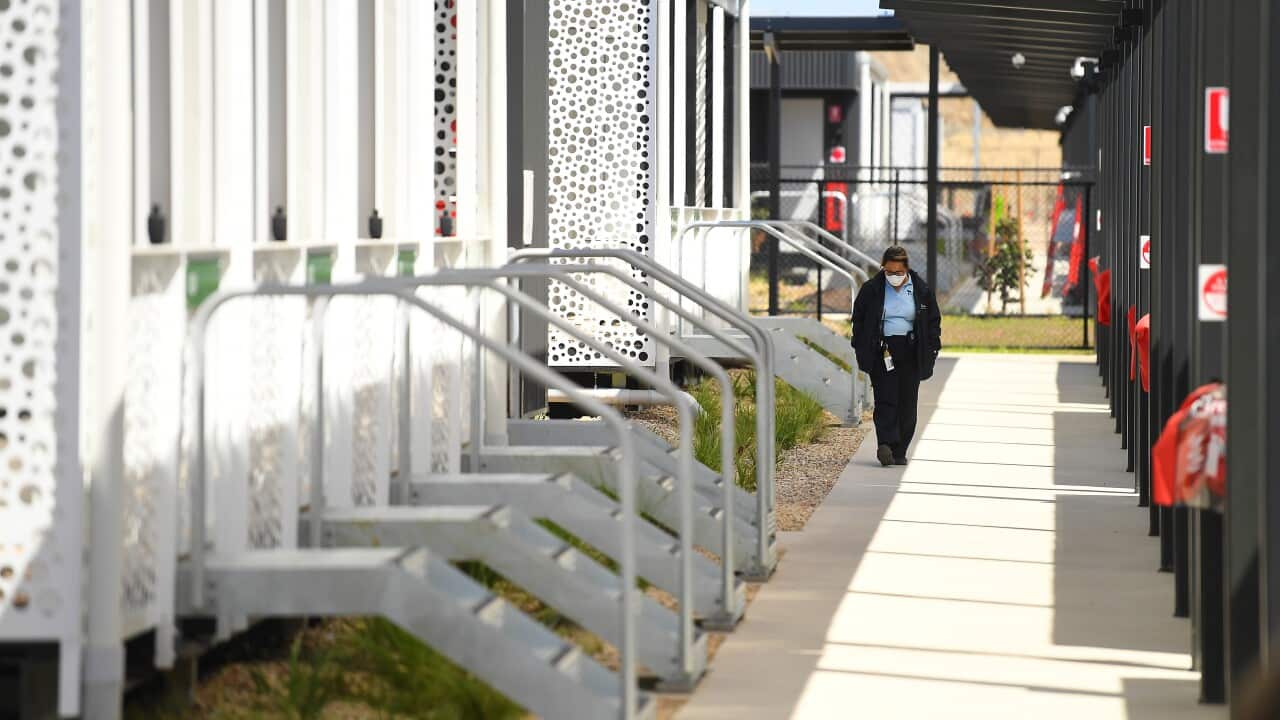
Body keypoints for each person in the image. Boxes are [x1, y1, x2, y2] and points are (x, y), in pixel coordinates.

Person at [850, 246, 942, 467]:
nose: (893, 276)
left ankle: (900, 450)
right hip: (883, 350)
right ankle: (886, 444)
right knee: (885, 398)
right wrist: (861, 345)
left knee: (908, 401)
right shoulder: (872, 289)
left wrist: (932, 348)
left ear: (906, 269)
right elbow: (859, 320)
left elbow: (932, 321)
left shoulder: (920, 290)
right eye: (888, 272)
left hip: (911, 349)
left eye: (898, 273)